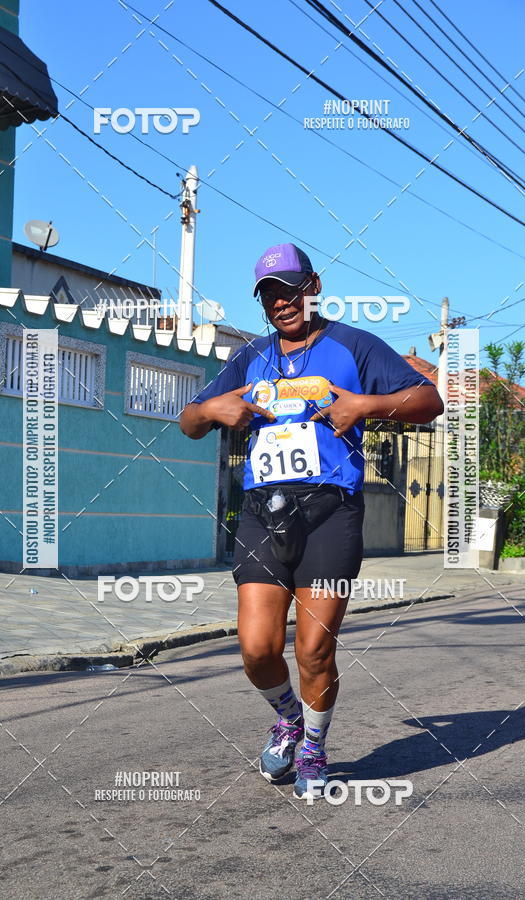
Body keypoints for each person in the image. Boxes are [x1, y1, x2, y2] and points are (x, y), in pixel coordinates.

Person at [180, 243, 443, 799]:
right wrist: (210, 411)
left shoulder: (355, 346)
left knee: (314, 651)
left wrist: (364, 407)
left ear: (313, 285)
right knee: (256, 648)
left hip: (330, 517)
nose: (282, 302)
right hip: (261, 514)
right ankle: (289, 719)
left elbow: (428, 401)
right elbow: (188, 420)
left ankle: (315, 750)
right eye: (270, 293)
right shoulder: (248, 357)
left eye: (291, 288)